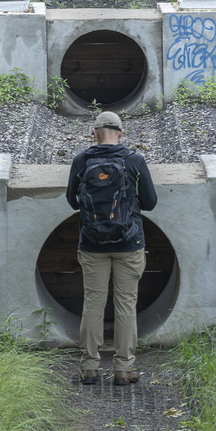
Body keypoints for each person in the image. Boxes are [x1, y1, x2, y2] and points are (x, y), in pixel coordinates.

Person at [66, 111, 157, 386]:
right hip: (129, 243)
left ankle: (89, 368)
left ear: (94, 133)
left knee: (93, 303)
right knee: (126, 305)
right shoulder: (134, 160)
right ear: (121, 132)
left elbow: (72, 201)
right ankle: (123, 369)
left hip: (92, 244)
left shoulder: (82, 160)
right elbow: (150, 202)